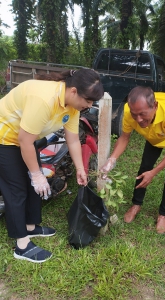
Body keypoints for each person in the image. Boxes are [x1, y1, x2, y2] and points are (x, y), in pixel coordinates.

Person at [0, 68, 104, 263]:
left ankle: (30, 227)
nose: (88, 106)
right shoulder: (44, 99)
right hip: (5, 138)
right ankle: (21, 245)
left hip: (25, 140)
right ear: (73, 91)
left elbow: (72, 140)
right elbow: (24, 141)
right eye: (87, 101)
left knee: (34, 183)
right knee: (17, 188)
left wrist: (81, 169)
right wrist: (36, 174)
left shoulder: (72, 106)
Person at [101, 86, 165, 234]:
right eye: (135, 115)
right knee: (145, 167)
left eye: (142, 114)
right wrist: (112, 159)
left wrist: (154, 172)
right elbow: (124, 137)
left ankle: (163, 215)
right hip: (154, 135)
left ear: (154, 106)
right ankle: (136, 204)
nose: (139, 119)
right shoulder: (131, 112)